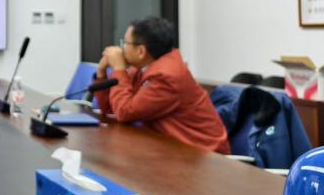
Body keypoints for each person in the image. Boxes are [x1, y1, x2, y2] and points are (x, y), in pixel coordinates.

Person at [94, 16, 229, 154]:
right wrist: (101, 73)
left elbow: (125, 112)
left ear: (141, 51)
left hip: (203, 155)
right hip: (172, 147)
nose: (122, 49)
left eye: (125, 43)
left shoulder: (166, 76)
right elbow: (111, 110)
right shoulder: (142, 67)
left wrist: (118, 70)